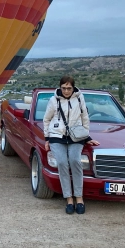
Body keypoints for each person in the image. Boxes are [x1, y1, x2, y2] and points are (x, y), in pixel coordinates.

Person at [43, 76, 100, 215]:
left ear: (73, 87)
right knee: (62, 163)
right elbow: (46, 119)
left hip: (76, 137)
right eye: (64, 88)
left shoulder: (80, 99)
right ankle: (69, 198)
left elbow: (85, 118)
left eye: (69, 88)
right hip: (57, 136)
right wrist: (47, 138)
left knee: (75, 161)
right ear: (60, 87)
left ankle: (79, 198)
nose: (66, 91)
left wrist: (87, 137)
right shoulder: (53, 100)